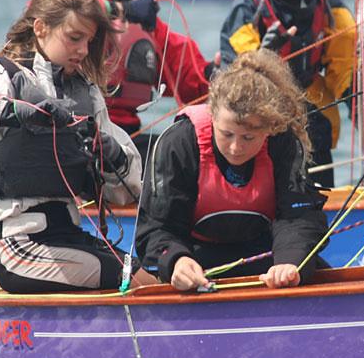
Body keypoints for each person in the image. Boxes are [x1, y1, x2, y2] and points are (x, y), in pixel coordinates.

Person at [0, 0, 144, 293]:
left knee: (151, 277)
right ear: (41, 28)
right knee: (129, 278)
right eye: (74, 38)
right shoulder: (3, 76)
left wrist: (112, 153)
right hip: (17, 245)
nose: (84, 50)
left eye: (89, 41)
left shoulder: (87, 93)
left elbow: (125, 194)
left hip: (69, 235)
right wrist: (15, 112)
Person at [136, 49, 329, 291]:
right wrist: (176, 260)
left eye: (249, 137)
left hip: (268, 258)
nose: (236, 148)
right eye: (226, 134)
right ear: (213, 116)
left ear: (269, 129)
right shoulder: (180, 143)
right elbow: (156, 226)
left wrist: (291, 261)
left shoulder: (282, 141)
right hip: (196, 261)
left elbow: (298, 215)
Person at [220, 0, 356, 188]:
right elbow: (232, 71)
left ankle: (320, 218)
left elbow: (344, 57)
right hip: (261, 113)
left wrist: (360, 105)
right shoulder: (249, 2)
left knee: (316, 128)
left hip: (312, 109)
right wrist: (262, 57)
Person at [84, 0, 215, 161]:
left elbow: (189, 77)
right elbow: (57, 16)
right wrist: (121, 10)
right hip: (80, 136)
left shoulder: (148, 23)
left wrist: (219, 73)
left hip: (128, 135)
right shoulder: (78, 0)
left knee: (192, 157)